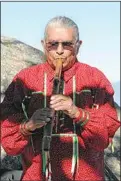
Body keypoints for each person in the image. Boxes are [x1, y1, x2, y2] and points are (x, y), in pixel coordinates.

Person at [1, 16, 120, 181]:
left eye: (67, 44)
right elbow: (9, 142)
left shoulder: (95, 79)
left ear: (78, 46)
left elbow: (104, 138)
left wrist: (76, 112)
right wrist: (29, 125)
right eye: (52, 44)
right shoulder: (25, 80)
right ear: (44, 45)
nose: (59, 51)